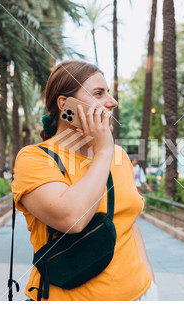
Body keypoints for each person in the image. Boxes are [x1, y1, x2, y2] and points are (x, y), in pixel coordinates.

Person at [11, 60, 157, 301]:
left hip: (140, 295)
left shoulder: (117, 155)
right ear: (65, 105)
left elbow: (128, 220)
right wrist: (103, 152)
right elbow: (72, 218)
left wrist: (150, 281)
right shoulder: (33, 158)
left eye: (108, 92)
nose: (112, 101)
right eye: (98, 93)